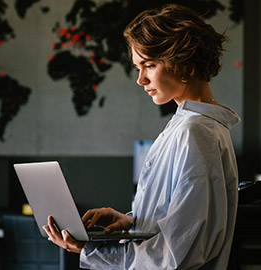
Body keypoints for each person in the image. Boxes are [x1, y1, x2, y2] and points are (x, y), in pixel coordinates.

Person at [43, 3, 240, 269]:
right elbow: (180, 221)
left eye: (148, 65)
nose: (141, 80)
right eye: (138, 68)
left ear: (183, 61)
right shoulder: (189, 127)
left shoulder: (195, 132)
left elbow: (177, 254)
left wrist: (87, 250)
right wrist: (133, 221)